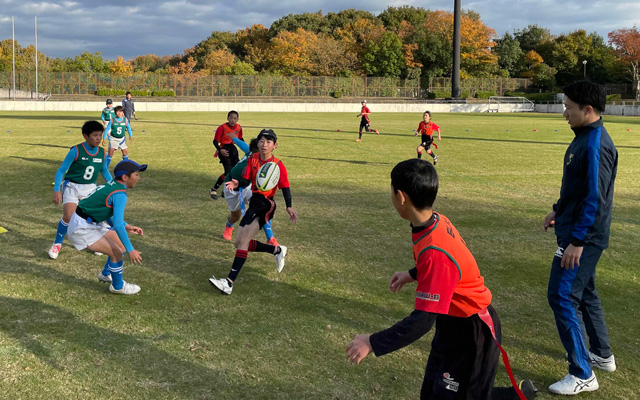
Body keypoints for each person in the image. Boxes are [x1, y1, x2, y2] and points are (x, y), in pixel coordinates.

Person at [346, 159, 537, 400]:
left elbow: (422, 321)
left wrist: (372, 342)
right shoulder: (432, 220)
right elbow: (445, 268)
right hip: (451, 323)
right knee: (435, 392)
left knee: (467, 396)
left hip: (472, 330)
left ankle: (517, 396)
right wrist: (412, 274)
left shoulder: (436, 248)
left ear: (401, 197)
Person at [543, 81, 618, 395]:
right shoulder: (585, 137)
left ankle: (582, 373)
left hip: (583, 237)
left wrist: (577, 241)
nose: (564, 113)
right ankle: (601, 354)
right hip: (576, 229)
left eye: (569, 108)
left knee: (561, 295)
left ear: (588, 110)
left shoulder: (595, 143)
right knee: (585, 293)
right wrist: (558, 210)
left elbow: (595, 198)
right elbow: (577, 189)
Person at [209, 129, 298, 295]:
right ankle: (277, 250)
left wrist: (289, 206)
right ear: (258, 143)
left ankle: (228, 283)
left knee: (242, 242)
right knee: (238, 243)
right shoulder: (253, 158)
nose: (264, 144)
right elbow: (247, 178)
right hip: (254, 202)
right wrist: (236, 183)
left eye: (269, 142)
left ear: (275, 146)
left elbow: (285, 186)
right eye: (262, 141)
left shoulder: (278, 166)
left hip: (266, 205)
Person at [67, 160, 147, 295]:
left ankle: (105, 274)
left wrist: (126, 226)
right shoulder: (119, 194)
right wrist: (131, 250)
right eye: (136, 174)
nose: (138, 178)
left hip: (89, 222)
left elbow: (107, 213)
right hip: (82, 228)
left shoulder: (113, 186)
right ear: (125, 177)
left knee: (119, 247)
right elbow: (117, 225)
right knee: (117, 251)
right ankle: (117, 286)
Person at [48, 120, 113, 259]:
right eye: (95, 135)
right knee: (69, 216)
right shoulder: (75, 151)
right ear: (85, 136)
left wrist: (113, 185)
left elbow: (104, 171)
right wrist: (56, 189)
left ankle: (96, 242)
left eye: (100, 135)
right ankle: (57, 244)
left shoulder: (101, 152)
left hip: (90, 187)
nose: (98, 138)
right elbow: (61, 171)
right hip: (72, 185)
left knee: (94, 217)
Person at [222, 132, 278, 246]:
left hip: (248, 186)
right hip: (232, 187)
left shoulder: (258, 157)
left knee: (263, 206)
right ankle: (229, 225)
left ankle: (270, 238)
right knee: (235, 216)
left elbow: (242, 144)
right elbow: (243, 146)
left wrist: (234, 138)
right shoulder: (252, 157)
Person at [210, 110, 244, 200]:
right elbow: (215, 141)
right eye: (231, 118)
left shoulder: (239, 127)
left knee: (237, 171)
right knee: (228, 172)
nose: (233, 120)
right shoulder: (222, 128)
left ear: (237, 119)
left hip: (233, 150)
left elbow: (240, 139)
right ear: (227, 118)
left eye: (235, 118)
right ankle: (214, 189)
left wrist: (247, 149)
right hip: (224, 149)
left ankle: (225, 191)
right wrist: (220, 150)